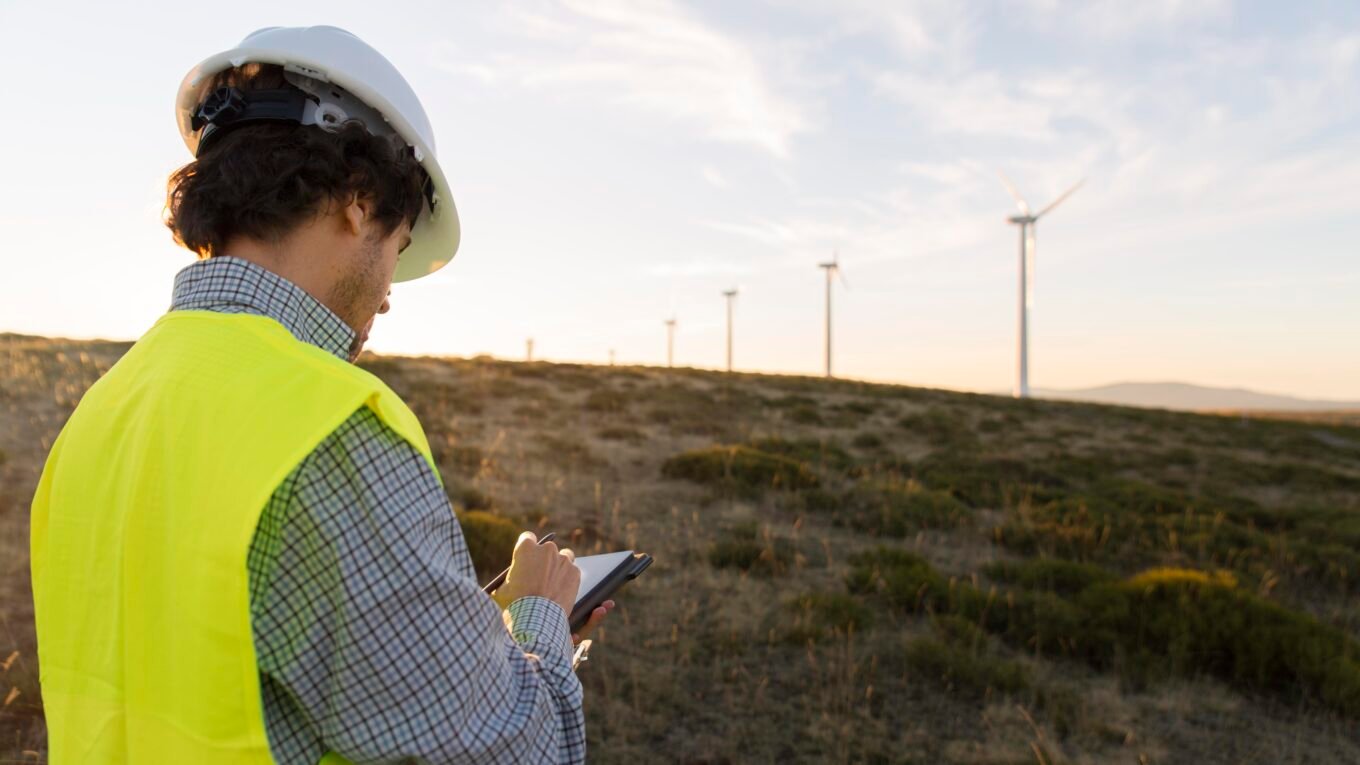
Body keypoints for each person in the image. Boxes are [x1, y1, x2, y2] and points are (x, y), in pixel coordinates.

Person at [29, 26, 610, 764]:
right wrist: (539, 618)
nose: (389, 298)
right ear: (361, 201)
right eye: (396, 253)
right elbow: (519, 753)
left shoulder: (104, 409)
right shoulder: (331, 431)